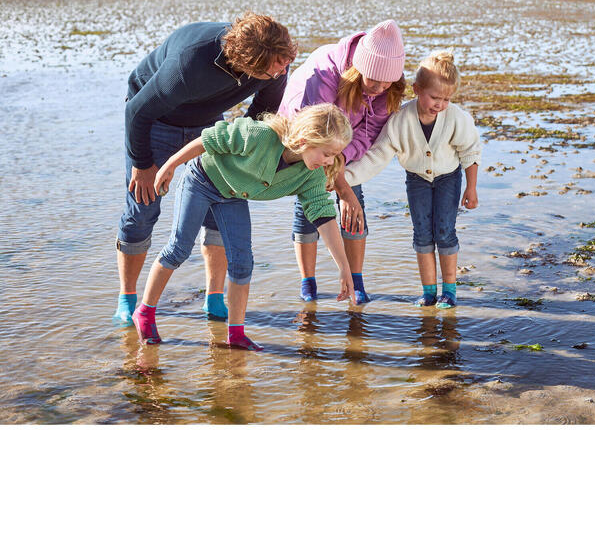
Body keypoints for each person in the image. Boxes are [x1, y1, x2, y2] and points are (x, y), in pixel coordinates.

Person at [115, 12, 296, 324]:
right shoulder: (190, 63)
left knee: (220, 199)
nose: (283, 69)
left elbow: (261, 114)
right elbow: (137, 111)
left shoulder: (276, 65)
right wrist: (143, 165)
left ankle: (214, 298)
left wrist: (240, 151)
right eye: (277, 64)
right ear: (250, 61)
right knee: (142, 209)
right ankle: (127, 298)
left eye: (285, 61)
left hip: (207, 124)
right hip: (157, 121)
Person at [132, 103, 356, 351]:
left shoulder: (311, 175)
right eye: (326, 153)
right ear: (304, 140)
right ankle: (144, 312)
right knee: (179, 249)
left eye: (335, 155)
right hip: (201, 179)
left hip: (233, 194)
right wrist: (171, 165)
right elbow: (209, 139)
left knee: (243, 262)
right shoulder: (260, 135)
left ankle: (236, 334)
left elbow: (323, 215)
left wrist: (343, 266)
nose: (329, 161)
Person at [278, 19, 406, 305]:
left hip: (341, 145)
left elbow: (368, 134)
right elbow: (317, 137)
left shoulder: (388, 89)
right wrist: (337, 182)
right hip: (307, 138)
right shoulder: (325, 75)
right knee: (309, 200)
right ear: (357, 70)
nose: (378, 87)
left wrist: (342, 169)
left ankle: (355, 280)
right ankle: (308, 283)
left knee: (354, 200)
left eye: (387, 82)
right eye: (372, 80)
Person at [344, 51, 480, 308]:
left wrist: (471, 188)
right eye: (434, 97)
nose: (440, 104)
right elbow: (377, 156)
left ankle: (449, 291)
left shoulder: (456, 118)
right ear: (417, 89)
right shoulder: (400, 119)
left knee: (444, 232)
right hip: (417, 180)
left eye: (446, 99)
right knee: (422, 234)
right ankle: (429, 292)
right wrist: (344, 178)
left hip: (448, 178)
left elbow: (470, 152)